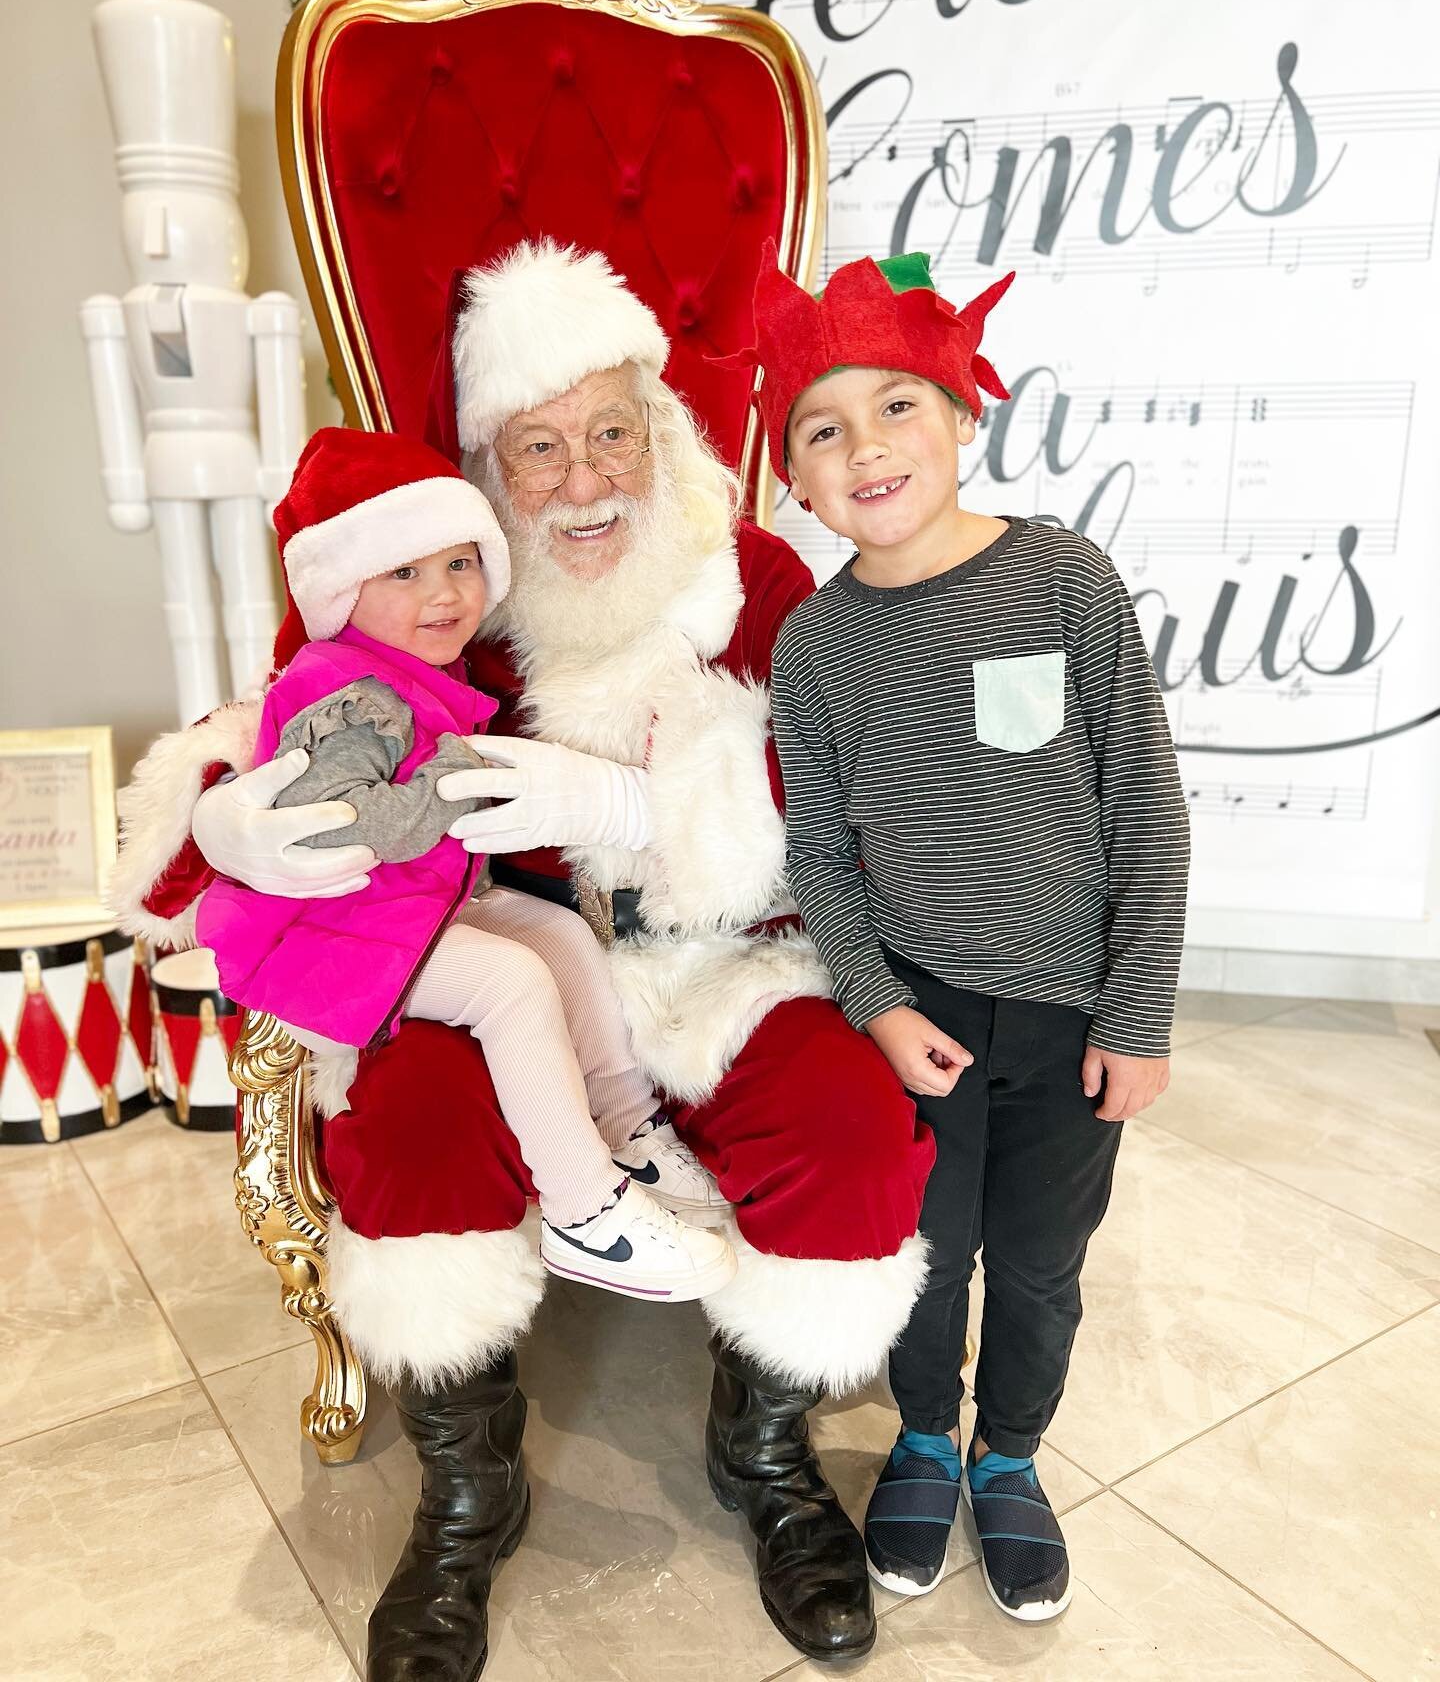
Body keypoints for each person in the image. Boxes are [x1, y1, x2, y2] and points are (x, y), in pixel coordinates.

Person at [112, 240, 936, 1680]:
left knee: (851, 1129)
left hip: (733, 964)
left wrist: (626, 809)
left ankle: (764, 1446)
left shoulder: (750, 571)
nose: (582, 477)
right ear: (489, 471)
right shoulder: (439, 593)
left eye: (612, 431)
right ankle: (472, 1482)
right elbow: (271, 734)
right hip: (491, 973)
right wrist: (223, 819)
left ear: (661, 428)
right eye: (538, 448)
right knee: (414, 1121)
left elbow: (855, 794)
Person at [747, 246, 1191, 1620]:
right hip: (919, 1012)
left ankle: (1011, 1456)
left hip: (1070, 1020)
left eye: (897, 408)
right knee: (926, 1254)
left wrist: (1137, 1014)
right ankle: (926, 1441)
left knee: (1042, 1260)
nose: (866, 448)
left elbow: (1149, 811)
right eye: (823, 430)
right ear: (796, 479)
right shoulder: (815, 650)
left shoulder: (1062, 581)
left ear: (960, 414)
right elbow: (821, 855)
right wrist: (876, 1006)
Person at [196, 426, 734, 1300]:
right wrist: (453, 783)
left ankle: (628, 1129)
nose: (444, 594)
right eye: (403, 573)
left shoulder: (403, 666)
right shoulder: (343, 689)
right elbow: (342, 826)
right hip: (330, 928)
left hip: (408, 908)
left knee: (559, 932)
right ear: (340, 591)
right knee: (510, 983)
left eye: (459, 563)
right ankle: (585, 1212)